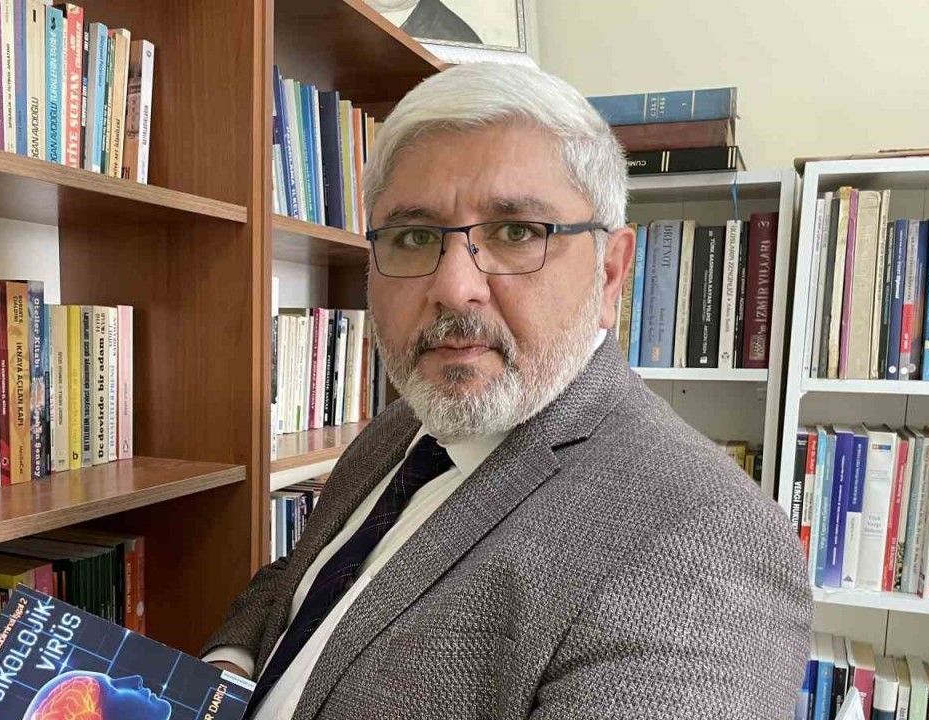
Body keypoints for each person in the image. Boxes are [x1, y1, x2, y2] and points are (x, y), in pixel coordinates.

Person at [202, 63, 811, 719]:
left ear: (610, 273)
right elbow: (303, 580)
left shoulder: (703, 540)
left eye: (516, 232)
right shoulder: (404, 426)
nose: (453, 287)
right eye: (414, 237)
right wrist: (225, 673)